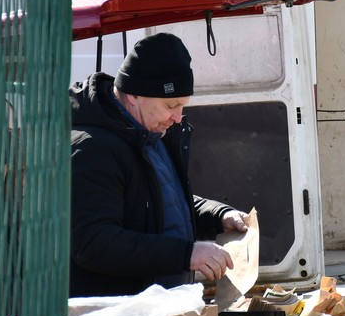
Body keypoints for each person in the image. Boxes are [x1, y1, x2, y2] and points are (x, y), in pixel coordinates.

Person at [70, 32, 248, 297]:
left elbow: (161, 202)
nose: (177, 117)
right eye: (170, 105)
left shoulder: (150, 133)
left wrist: (218, 215)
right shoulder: (92, 148)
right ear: (133, 96)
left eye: (182, 105)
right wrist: (186, 254)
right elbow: (94, 243)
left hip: (156, 309)